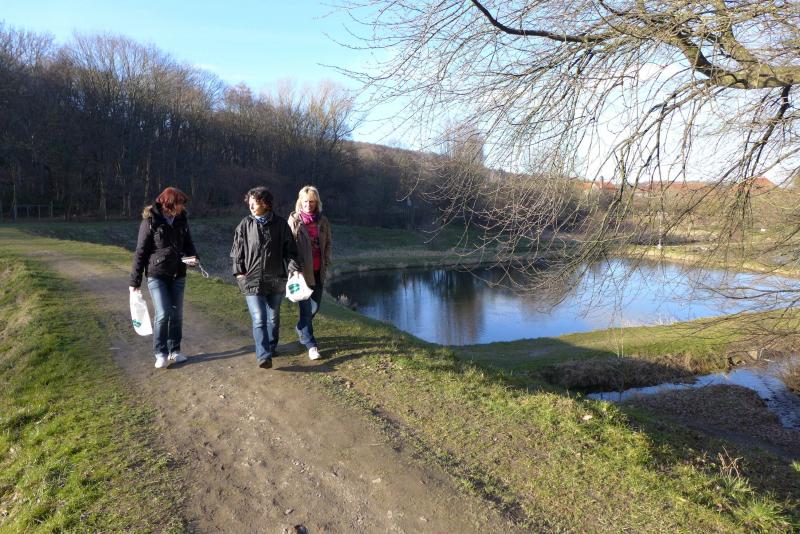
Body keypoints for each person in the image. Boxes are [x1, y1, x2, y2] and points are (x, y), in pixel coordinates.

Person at [231, 186, 301, 369]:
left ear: (265, 203)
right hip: (252, 280)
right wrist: (239, 274)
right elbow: (236, 252)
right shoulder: (244, 224)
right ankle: (263, 356)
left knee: (273, 318)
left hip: (277, 280)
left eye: (255, 202)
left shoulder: (281, 225)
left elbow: (291, 252)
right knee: (259, 318)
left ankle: (271, 346)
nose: (251, 206)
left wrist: (293, 269)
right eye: (250, 203)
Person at [129, 187, 198, 369]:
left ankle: (175, 350)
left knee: (177, 314)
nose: (182, 207)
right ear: (169, 204)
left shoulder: (182, 219)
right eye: (180, 203)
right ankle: (160, 353)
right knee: (163, 313)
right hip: (156, 275)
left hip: (178, 273)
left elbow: (188, 243)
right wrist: (134, 281)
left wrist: (193, 257)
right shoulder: (150, 221)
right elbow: (141, 251)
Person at [288, 185, 333, 361]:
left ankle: (301, 327)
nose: (308, 205)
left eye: (312, 202)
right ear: (300, 202)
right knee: (306, 310)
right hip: (301, 273)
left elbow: (328, 243)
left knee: (315, 308)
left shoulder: (323, 221)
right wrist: (294, 268)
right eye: (305, 201)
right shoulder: (294, 220)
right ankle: (311, 346)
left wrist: (326, 261)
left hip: (318, 271)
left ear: (317, 202)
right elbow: (288, 247)